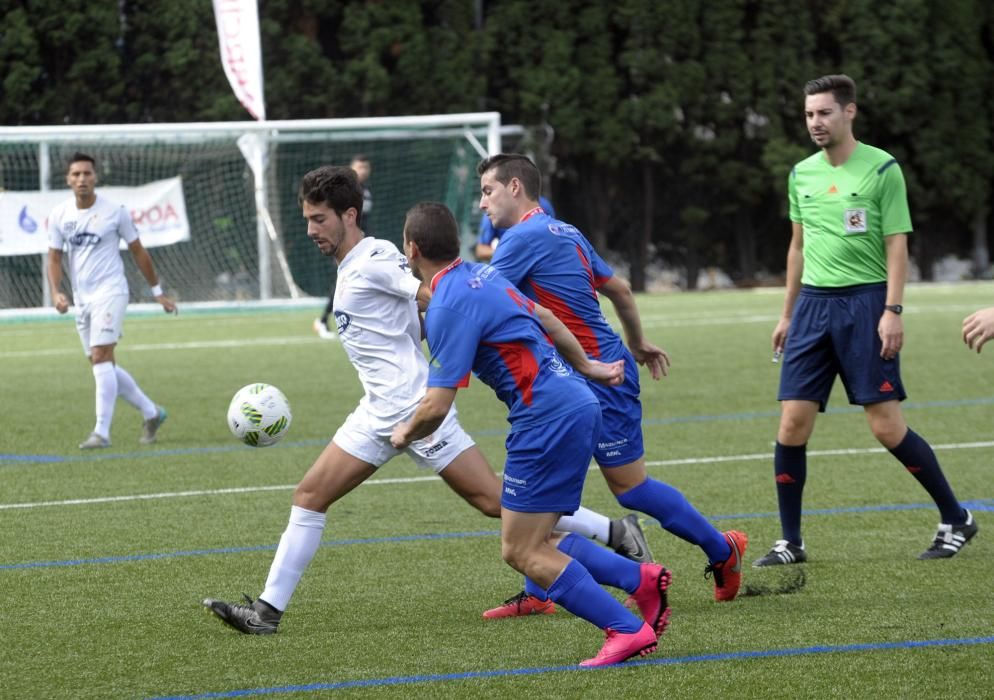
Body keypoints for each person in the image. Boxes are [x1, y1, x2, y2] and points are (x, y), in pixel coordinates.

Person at [202, 166, 652, 639]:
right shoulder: (359, 263)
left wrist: (464, 326)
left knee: (498, 502)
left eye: (319, 220)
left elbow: (435, 293)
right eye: (308, 220)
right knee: (310, 496)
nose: (311, 230)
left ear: (348, 215)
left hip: (416, 410)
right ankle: (267, 614)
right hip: (378, 410)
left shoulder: (374, 259)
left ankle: (615, 535)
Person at [394, 201, 672, 667]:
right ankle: (640, 580)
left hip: (545, 419)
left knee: (520, 550)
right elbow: (546, 317)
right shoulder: (484, 275)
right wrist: (588, 367)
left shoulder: (445, 307)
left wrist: (404, 432)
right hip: (577, 402)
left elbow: (437, 406)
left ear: (413, 249)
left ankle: (626, 629)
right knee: (537, 537)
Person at [476, 154, 748, 609]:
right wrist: (637, 343)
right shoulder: (567, 230)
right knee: (553, 483)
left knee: (630, 486)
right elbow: (618, 289)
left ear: (516, 187)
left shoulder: (519, 239)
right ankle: (539, 587)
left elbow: (475, 296)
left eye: (488, 190)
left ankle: (724, 549)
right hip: (590, 367)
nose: (482, 203)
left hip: (599, 374)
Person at [755, 74, 978, 567]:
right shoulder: (801, 174)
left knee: (885, 426)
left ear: (848, 112)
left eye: (824, 113)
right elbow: (797, 246)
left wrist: (892, 311)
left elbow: (897, 243)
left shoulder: (883, 170)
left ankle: (955, 516)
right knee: (792, 423)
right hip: (813, 306)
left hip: (866, 304)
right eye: (810, 114)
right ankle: (790, 541)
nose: (815, 122)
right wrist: (787, 313)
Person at [47, 152, 175, 450]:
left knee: (101, 356)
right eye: (76, 174)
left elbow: (138, 250)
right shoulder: (59, 215)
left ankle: (101, 433)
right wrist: (56, 292)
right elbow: (54, 257)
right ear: (68, 179)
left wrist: (157, 292)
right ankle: (152, 412)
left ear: (96, 177)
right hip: (83, 299)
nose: (82, 179)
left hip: (112, 292)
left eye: (87, 174)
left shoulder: (115, 211)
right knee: (100, 362)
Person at [314, 154, 373, 339]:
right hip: (347, 246)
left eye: (365, 167)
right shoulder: (345, 193)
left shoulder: (367, 192)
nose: (362, 171)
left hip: (361, 245)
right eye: (359, 167)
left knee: (360, 282)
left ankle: (360, 321)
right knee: (344, 283)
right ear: (351, 168)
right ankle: (323, 320)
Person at [475, 193, 554, 262]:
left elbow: (553, 237)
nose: (482, 204)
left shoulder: (543, 204)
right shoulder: (494, 211)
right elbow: (481, 250)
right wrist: (508, 252)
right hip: (510, 260)